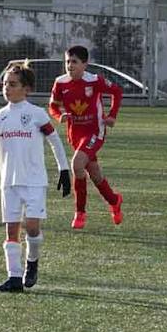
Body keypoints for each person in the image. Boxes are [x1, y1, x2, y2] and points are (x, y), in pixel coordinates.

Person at [0, 62, 72, 292]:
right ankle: (14, 278)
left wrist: (64, 169)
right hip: (8, 182)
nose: (7, 88)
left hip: (34, 180)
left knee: (32, 227)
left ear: (27, 89)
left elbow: (54, 140)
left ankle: (32, 262)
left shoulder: (36, 114)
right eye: (5, 84)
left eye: (13, 84)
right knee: (11, 230)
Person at [48, 44, 124, 230]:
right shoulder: (60, 83)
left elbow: (117, 92)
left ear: (85, 64)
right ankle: (114, 201)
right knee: (95, 174)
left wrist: (112, 115)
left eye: (74, 62)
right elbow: (53, 106)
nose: (70, 65)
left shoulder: (94, 81)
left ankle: (80, 213)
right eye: (67, 62)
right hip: (75, 134)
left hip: (94, 132)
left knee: (76, 165)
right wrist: (60, 116)